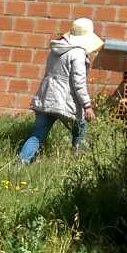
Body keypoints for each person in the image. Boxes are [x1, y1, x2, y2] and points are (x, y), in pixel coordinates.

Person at [17, 18, 102, 164]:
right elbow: (79, 83)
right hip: (63, 100)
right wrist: (87, 105)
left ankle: (20, 164)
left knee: (37, 134)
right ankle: (78, 165)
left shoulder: (57, 49)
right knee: (80, 130)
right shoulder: (78, 53)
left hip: (46, 97)